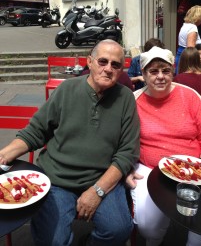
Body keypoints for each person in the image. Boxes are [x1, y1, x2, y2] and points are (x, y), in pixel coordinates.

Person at [0, 39, 140, 246]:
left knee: (118, 230)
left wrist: (97, 191)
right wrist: (5, 154)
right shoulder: (67, 90)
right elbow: (37, 130)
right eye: (103, 61)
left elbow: (127, 152)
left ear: (121, 70)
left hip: (101, 178)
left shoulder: (126, 98)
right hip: (57, 179)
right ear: (89, 62)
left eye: (115, 64)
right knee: (53, 241)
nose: (108, 68)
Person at [126, 46, 201, 246]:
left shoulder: (190, 96)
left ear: (173, 72)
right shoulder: (134, 101)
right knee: (148, 226)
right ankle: (155, 238)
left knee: (198, 218)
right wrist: (125, 169)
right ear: (143, 74)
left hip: (191, 169)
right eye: (153, 71)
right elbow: (122, 142)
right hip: (149, 169)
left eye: (165, 70)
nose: (160, 76)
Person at [175, 5, 201, 74]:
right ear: (198, 17)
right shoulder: (192, 28)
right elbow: (190, 49)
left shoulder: (185, 25)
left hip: (181, 56)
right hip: (187, 61)